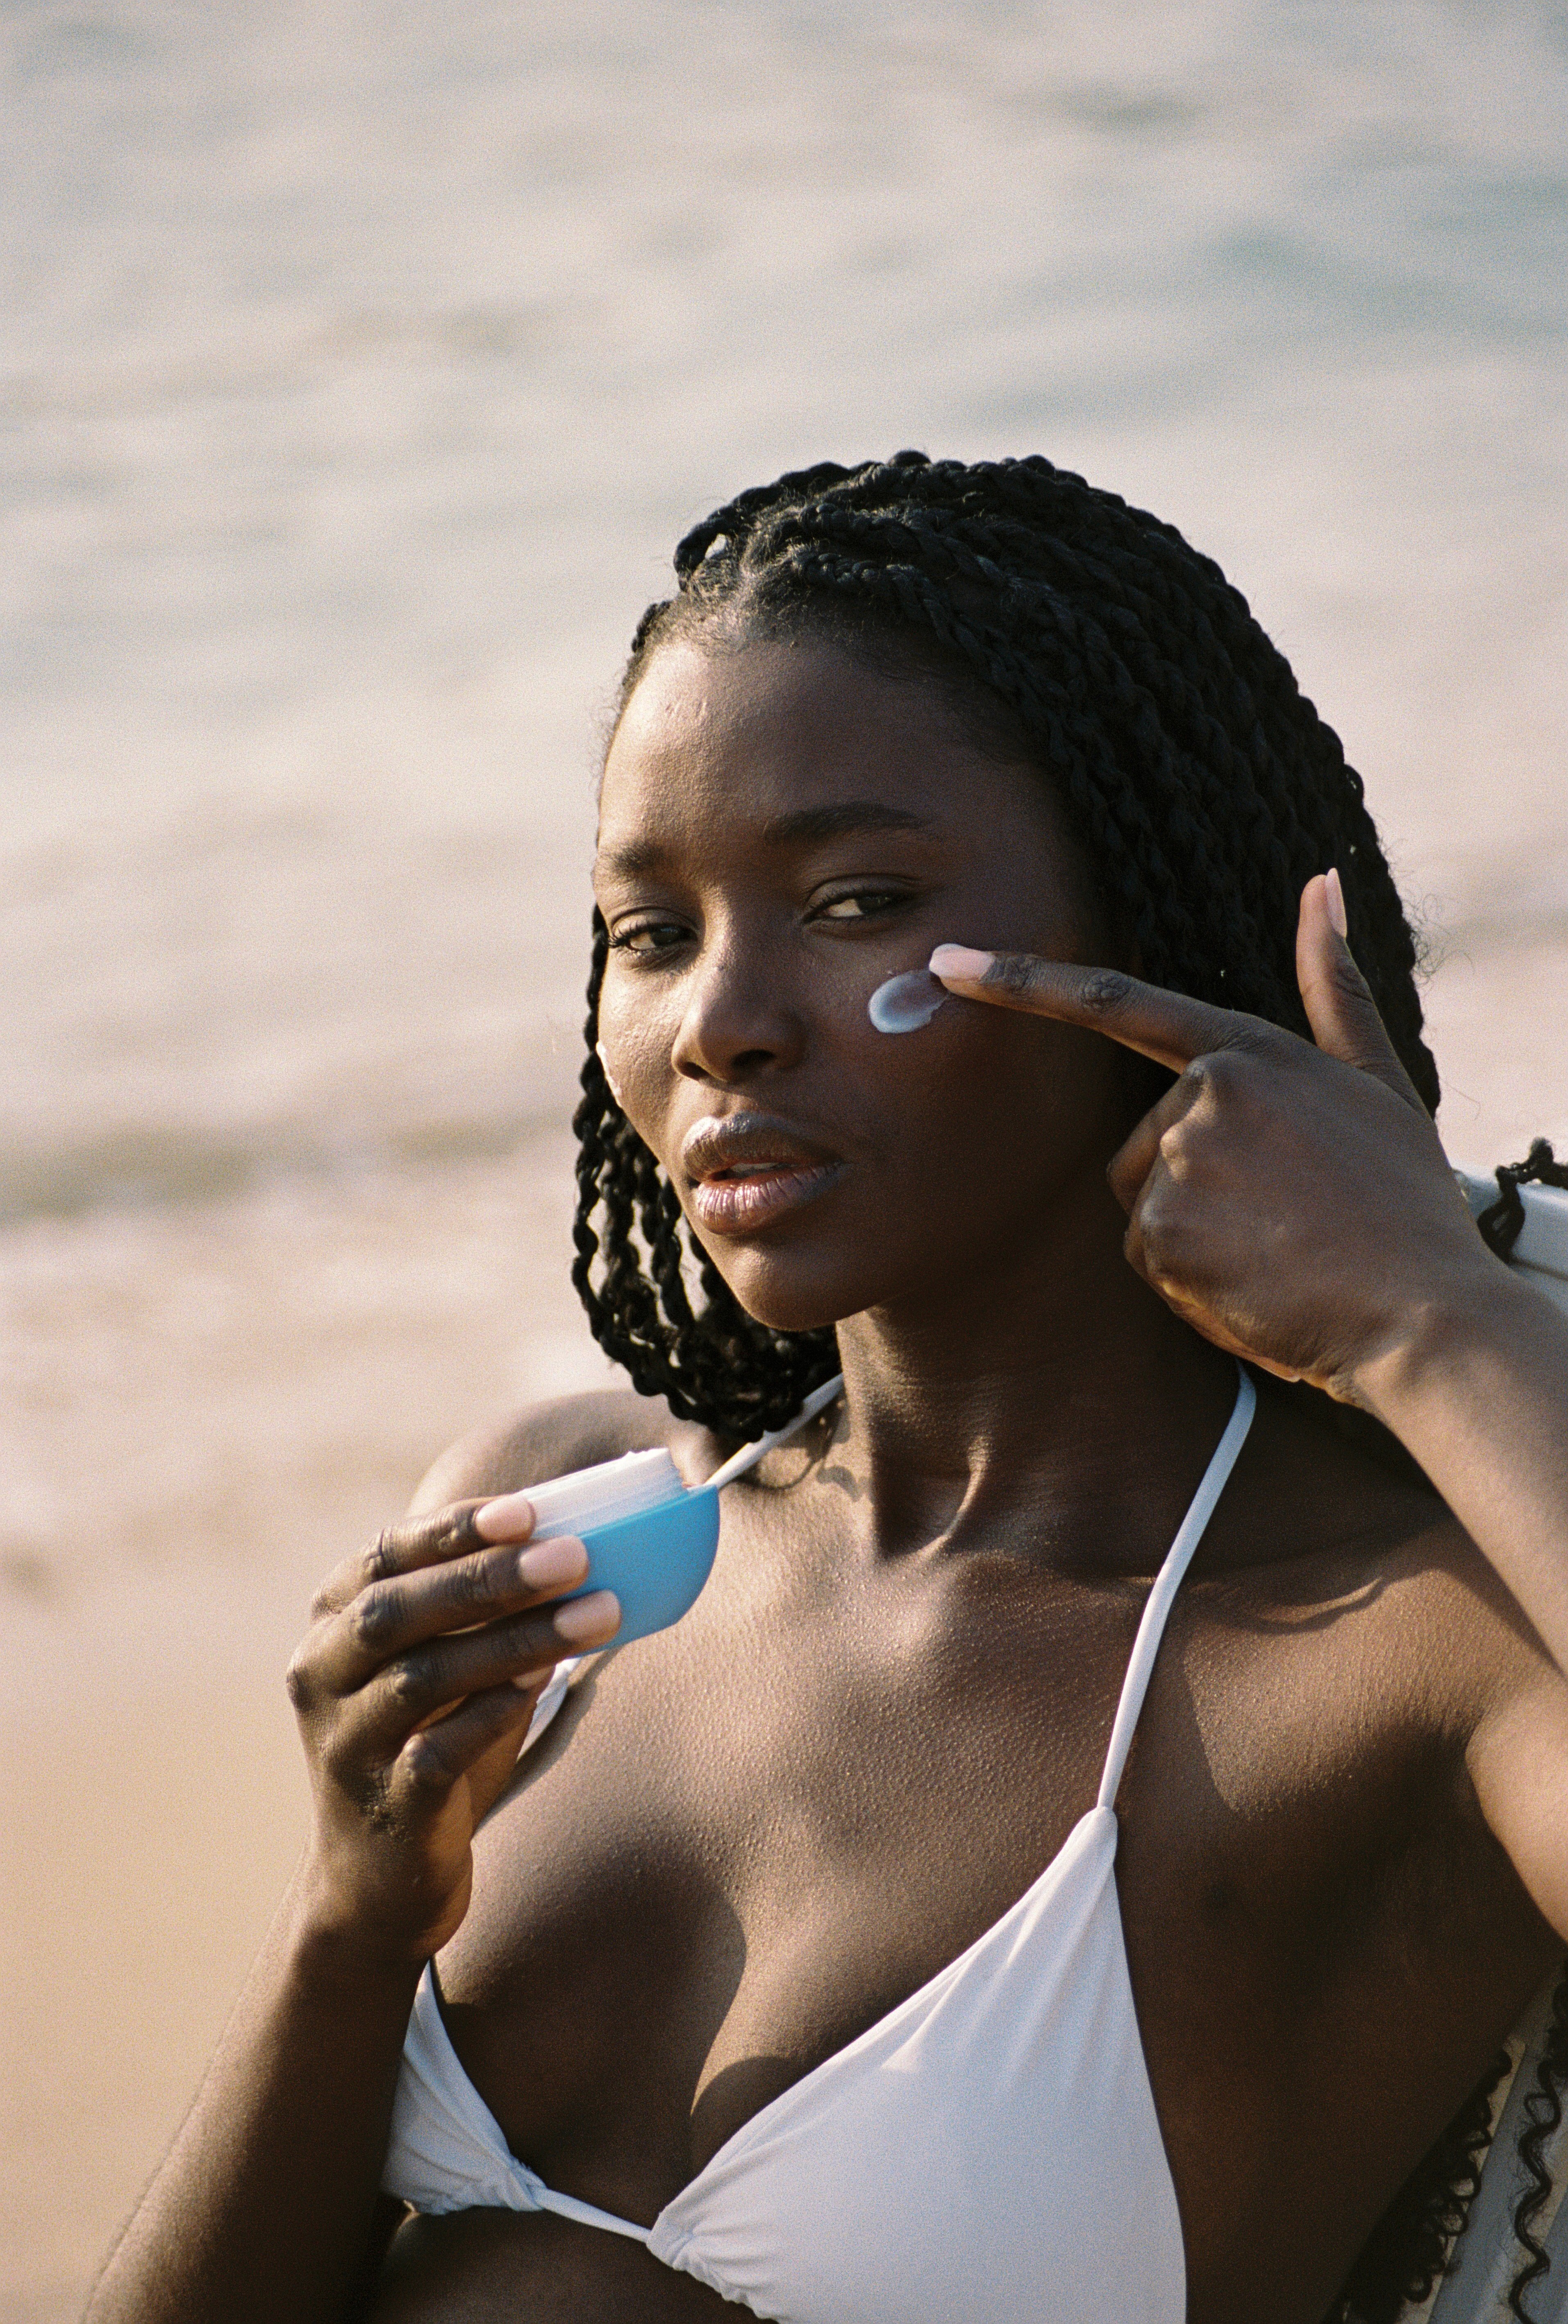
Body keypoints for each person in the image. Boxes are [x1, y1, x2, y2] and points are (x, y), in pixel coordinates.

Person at [87, 453, 1568, 2324]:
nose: (719, 1017)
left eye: (857, 898)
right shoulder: (564, 1535)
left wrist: (1427, 1310)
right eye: (651, 929)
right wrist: (343, 1927)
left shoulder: (1412, 1649)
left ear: (1152, 924)